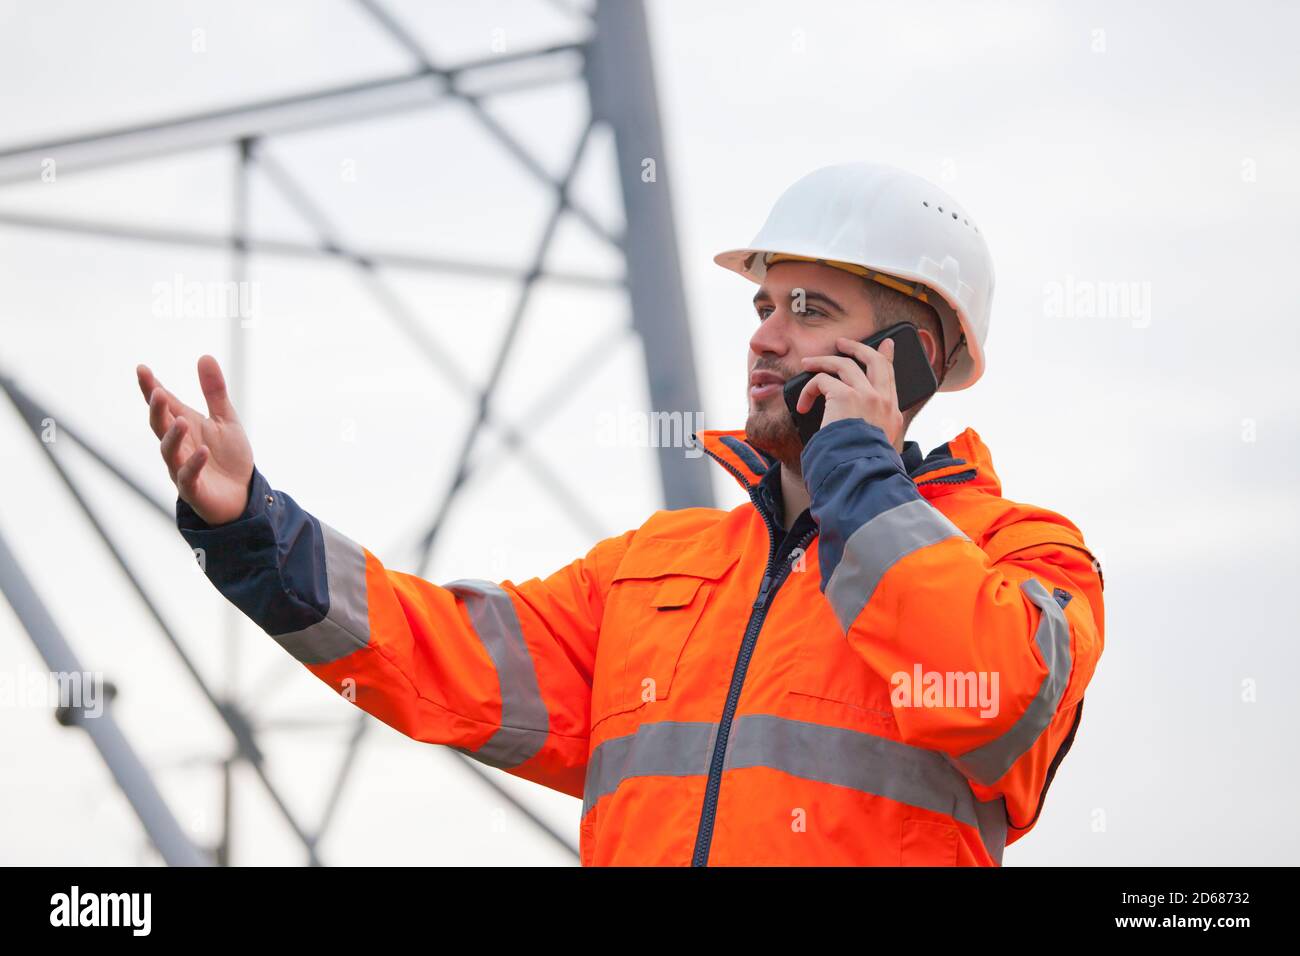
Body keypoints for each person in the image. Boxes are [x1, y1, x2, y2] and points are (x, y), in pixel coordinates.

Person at [136, 162, 1104, 866]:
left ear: (912, 354)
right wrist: (252, 527)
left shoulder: (1024, 556)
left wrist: (858, 475)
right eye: (762, 303)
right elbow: (436, 654)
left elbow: (996, 705)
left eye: (808, 308)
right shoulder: (655, 569)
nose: (763, 336)